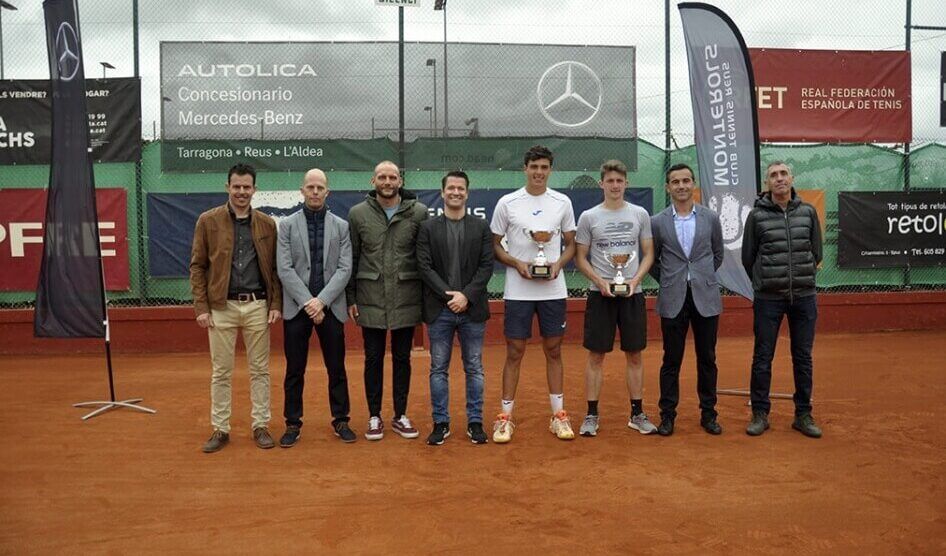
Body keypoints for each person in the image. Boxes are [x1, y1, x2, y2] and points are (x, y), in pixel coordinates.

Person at [190, 163, 282, 453]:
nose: (242, 192)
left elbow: (275, 268)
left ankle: (260, 425)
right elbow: (197, 266)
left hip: (257, 305)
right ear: (227, 187)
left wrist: (275, 303)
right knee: (221, 372)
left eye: (247, 187)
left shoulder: (267, 224)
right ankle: (220, 429)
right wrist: (201, 307)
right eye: (237, 186)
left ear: (255, 189)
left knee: (260, 370)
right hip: (221, 307)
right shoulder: (208, 221)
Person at [490, 145, 578, 443]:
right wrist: (517, 263)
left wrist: (558, 264)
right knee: (514, 351)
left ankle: (558, 415)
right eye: (534, 167)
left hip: (553, 290)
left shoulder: (562, 202)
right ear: (525, 169)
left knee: (553, 349)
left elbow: (572, 243)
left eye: (544, 167)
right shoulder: (508, 203)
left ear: (550, 170)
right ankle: (505, 418)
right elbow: (495, 244)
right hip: (518, 291)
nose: (539, 172)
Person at [346, 160, 428, 441]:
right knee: (373, 358)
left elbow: (424, 259)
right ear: (373, 181)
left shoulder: (419, 213)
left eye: (392, 177)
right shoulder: (357, 214)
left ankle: (400, 415)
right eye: (382, 177)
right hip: (370, 297)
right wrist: (351, 297)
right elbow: (352, 258)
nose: (387, 182)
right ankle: (374, 416)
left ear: (400, 181)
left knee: (403, 358)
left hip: (407, 297)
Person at [574, 160, 657, 437]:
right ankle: (591, 415)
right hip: (600, 295)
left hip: (632, 294)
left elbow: (648, 253)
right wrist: (600, 281)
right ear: (602, 184)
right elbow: (580, 257)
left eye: (619, 181)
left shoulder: (640, 214)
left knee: (634, 354)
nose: (615, 185)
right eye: (610, 181)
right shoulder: (588, 217)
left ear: (626, 183)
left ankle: (637, 414)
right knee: (596, 355)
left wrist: (634, 281)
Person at [742, 161, 823, 438]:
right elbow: (748, 257)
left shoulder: (808, 212)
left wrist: (800, 278)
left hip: (804, 297)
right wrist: (766, 281)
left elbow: (816, 252)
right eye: (773, 175)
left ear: (792, 178)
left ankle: (803, 414)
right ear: (767, 183)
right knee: (763, 356)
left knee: (803, 357)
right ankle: (760, 413)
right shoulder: (756, 216)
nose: (779, 179)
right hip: (768, 299)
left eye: (783, 174)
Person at [276, 168, 356, 447]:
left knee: (336, 368)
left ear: (327, 192)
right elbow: (284, 269)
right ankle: (292, 423)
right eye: (310, 187)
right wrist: (308, 302)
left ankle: (341, 419)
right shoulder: (286, 226)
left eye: (320, 187)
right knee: (294, 369)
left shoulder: (342, 226)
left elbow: (345, 269)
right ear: (302, 190)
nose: (315, 192)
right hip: (297, 309)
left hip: (331, 308)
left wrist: (321, 301)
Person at [416, 170, 494, 446]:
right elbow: (424, 266)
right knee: (438, 368)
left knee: (474, 368)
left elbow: (486, 266)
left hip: (473, 310)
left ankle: (475, 422)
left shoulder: (481, 227)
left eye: (461, 188)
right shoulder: (427, 228)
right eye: (451, 188)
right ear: (443, 192)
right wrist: (450, 296)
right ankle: (441, 423)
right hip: (440, 310)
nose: (456, 192)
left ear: (467, 193)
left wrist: (466, 296)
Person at [649, 163, 724, 436]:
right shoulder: (657, 221)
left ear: (693, 184)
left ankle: (709, 414)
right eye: (675, 181)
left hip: (706, 297)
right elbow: (652, 260)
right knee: (671, 359)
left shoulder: (710, 218)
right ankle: (667, 416)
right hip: (673, 297)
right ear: (668, 187)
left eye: (685, 180)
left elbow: (717, 254)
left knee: (707, 358)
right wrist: (671, 279)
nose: (681, 186)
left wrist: (701, 277)